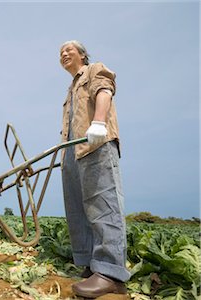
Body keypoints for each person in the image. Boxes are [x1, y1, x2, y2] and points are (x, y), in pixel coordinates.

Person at [58, 40, 130, 298]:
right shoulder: (70, 89)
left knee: (103, 202)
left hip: (96, 143)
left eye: (69, 50)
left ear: (82, 55)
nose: (64, 54)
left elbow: (105, 90)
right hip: (73, 152)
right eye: (61, 53)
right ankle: (91, 265)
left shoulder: (93, 70)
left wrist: (98, 123)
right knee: (78, 208)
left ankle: (111, 274)